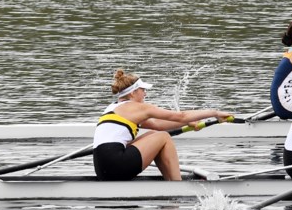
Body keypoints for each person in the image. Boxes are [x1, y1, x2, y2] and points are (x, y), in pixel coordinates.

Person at [93, 69, 232, 181]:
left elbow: (156, 125)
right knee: (163, 137)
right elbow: (180, 115)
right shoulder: (136, 107)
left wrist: (187, 122)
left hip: (102, 169)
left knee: (155, 134)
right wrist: (214, 112)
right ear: (133, 92)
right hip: (115, 166)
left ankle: (171, 182)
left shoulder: (114, 108)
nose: (145, 94)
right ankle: (177, 186)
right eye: (143, 90)